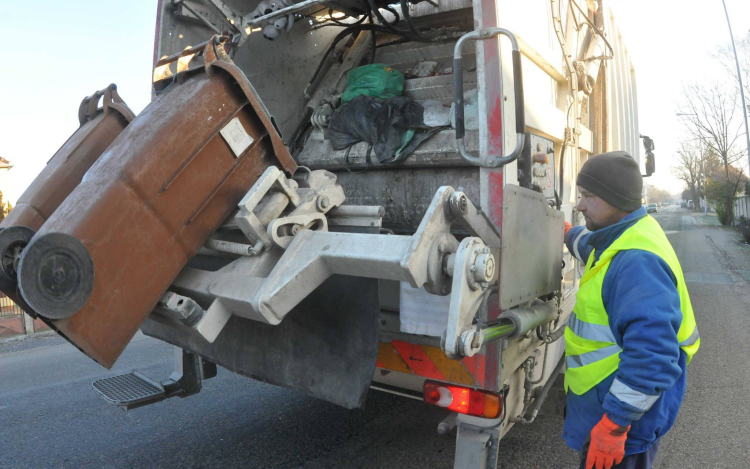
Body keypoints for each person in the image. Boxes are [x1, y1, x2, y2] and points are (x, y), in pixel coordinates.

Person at [562, 151, 700, 469]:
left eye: (588, 196)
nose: (580, 205)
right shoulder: (624, 233)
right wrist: (568, 233)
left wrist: (614, 426)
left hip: (623, 426)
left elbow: (652, 358)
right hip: (613, 412)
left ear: (616, 200)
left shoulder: (637, 262)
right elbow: (591, 245)